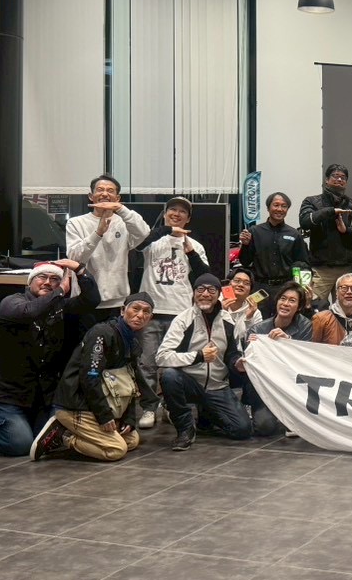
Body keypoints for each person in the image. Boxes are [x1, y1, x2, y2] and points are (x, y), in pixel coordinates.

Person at [0, 260, 99, 455]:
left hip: (39, 395)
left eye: (55, 279)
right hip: (5, 394)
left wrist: (79, 269)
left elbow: (91, 300)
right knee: (20, 446)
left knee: (46, 441)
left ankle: (24, 423)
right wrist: (61, 290)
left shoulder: (59, 307)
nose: (48, 282)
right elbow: (31, 312)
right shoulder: (11, 303)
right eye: (42, 277)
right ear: (30, 282)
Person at [30, 292, 151, 463]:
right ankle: (63, 436)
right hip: (77, 406)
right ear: (123, 310)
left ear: (150, 317)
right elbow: (90, 377)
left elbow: (130, 383)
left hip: (102, 404)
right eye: (135, 309)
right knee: (117, 450)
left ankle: (80, 434)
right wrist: (104, 416)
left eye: (146, 312)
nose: (140, 315)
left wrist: (129, 418)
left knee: (131, 440)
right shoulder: (102, 333)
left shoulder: (132, 342)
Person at [156, 273, 254, 451]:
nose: (205, 294)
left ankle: (206, 413)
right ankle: (185, 429)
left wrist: (237, 363)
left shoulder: (228, 320)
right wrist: (199, 356)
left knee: (242, 430)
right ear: (194, 293)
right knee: (169, 375)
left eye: (211, 290)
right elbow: (162, 356)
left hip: (217, 386)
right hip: (190, 383)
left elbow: (232, 353)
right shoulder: (183, 320)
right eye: (200, 289)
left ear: (219, 294)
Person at [136, 195, 210, 429]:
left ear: (188, 218)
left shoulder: (195, 245)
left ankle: (171, 405)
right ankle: (149, 407)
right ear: (165, 213)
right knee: (147, 363)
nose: (176, 214)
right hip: (151, 312)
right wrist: (166, 231)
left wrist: (190, 252)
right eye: (172, 210)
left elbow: (205, 277)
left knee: (175, 365)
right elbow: (137, 245)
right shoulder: (153, 240)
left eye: (182, 212)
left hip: (180, 313)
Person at [236, 282, 313, 437]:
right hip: (265, 386)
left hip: (292, 385)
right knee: (265, 427)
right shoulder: (257, 329)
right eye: (283, 298)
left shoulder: (305, 326)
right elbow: (248, 363)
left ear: (299, 307)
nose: (285, 303)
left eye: (292, 300)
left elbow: (304, 360)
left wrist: (287, 342)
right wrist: (245, 358)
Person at [66, 174, 151, 313]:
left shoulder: (124, 222)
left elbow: (144, 232)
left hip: (117, 301)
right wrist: (98, 233)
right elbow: (75, 258)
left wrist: (121, 209)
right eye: (100, 190)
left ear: (117, 198)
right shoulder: (76, 222)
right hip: (84, 299)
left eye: (110, 191)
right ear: (91, 196)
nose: (105, 194)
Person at [299, 164, 352, 302]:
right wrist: (330, 211)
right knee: (312, 304)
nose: (339, 180)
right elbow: (305, 222)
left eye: (343, 177)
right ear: (326, 179)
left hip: (346, 268)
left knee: (347, 306)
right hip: (320, 268)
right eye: (335, 176)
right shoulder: (311, 201)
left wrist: (346, 230)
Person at [245, 192, 312, 287]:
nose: (280, 209)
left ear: (287, 209)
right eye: (276, 205)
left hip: (286, 287)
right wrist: (245, 245)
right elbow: (245, 261)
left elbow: (303, 264)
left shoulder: (294, 234)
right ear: (268, 208)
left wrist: (301, 287)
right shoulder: (254, 231)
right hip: (260, 286)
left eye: (284, 206)